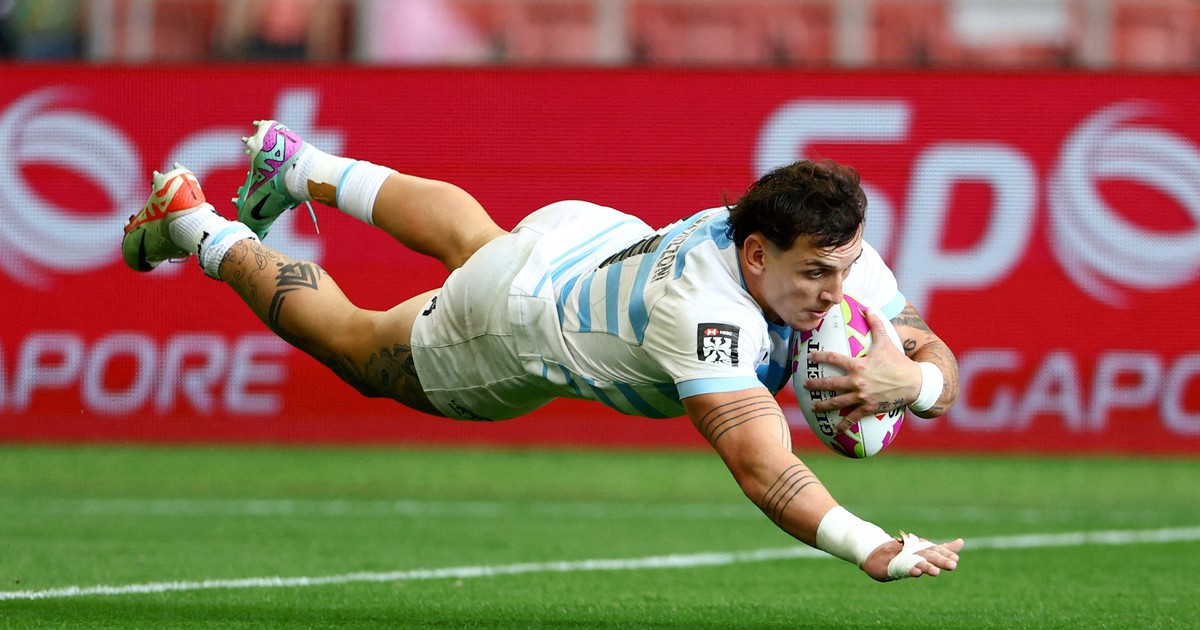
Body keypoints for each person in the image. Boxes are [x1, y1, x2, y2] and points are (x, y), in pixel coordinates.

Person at [121, 120, 963, 582]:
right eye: (815, 274)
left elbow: (935, 353)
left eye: (844, 269)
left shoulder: (827, 250)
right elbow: (764, 469)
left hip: (583, 237)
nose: (837, 290)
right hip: (520, 321)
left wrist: (915, 380)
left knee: (475, 237)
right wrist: (867, 543)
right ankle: (196, 224)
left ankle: (299, 163)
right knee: (355, 346)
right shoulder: (709, 316)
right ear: (754, 256)